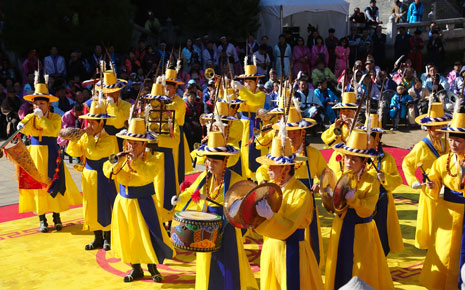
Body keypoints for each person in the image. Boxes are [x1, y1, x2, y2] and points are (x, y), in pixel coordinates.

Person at [174, 131, 258, 290]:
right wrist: (179, 199)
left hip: (227, 232)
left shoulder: (236, 181)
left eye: (215, 162)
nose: (210, 165)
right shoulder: (204, 177)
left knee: (228, 267)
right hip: (205, 231)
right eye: (208, 161)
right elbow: (191, 193)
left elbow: (247, 208)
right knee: (207, 266)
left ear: (225, 161)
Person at [103, 117, 174, 283]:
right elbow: (107, 172)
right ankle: (135, 268)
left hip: (144, 202)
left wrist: (135, 161)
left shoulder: (154, 159)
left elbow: (147, 176)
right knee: (129, 235)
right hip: (123, 202)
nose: (131, 146)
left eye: (135, 143)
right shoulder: (122, 158)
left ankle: (152, 267)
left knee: (148, 235)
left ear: (144, 144)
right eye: (129, 142)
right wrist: (118, 162)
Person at [254, 131, 325, 289]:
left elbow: (289, 227)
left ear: (286, 169)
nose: (268, 169)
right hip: (271, 249)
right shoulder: (269, 190)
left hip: (292, 251)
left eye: (273, 166)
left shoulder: (301, 193)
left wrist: (271, 216)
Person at [325, 129, 394, 290]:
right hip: (341, 227)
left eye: (354, 160)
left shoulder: (371, 182)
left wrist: (354, 200)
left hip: (362, 230)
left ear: (364, 162)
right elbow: (332, 205)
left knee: (360, 267)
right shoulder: (340, 176)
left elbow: (368, 210)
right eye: (347, 158)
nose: (348, 162)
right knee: (338, 264)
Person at [17, 76, 81, 232]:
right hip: (36, 153)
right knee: (39, 185)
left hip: (52, 153)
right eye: (35, 104)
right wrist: (22, 124)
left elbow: (53, 131)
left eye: (41, 103)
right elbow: (23, 127)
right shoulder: (30, 117)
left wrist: (41, 118)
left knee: (55, 182)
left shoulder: (55, 117)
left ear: (48, 104)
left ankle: (56, 216)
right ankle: (42, 219)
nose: (38, 106)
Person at [419, 110, 465, 289]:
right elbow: (434, 179)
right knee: (444, 248)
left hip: (463, 212)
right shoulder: (442, 161)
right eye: (451, 140)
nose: (453, 143)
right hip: (446, 211)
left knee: (460, 251)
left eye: (458, 141)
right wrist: (432, 185)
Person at [66, 100, 118, 251]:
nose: (90, 125)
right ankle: (97, 237)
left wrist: (86, 137)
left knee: (105, 205)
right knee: (91, 206)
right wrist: (75, 138)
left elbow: (95, 154)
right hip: (88, 176)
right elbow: (73, 152)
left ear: (102, 123)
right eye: (89, 122)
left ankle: (108, 236)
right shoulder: (86, 136)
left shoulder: (109, 139)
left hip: (104, 175)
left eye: (94, 122)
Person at [402, 102, 452, 249]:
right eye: (438, 127)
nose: (441, 130)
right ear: (429, 128)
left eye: (443, 126)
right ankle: (431, 246)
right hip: (430, 188)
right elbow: (406, 163)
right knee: (431, 218)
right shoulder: (421, 146)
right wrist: (412, 181)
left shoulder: (447, 143)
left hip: (446, 186)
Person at [359, 115, 404, 256]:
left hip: (380, 201)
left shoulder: (386, 158)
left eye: (369, 138)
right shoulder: (358, 156)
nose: (366, 141)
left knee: (380, 232)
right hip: (362, 199)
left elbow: (397, 180)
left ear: (377, 138)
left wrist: (385, 178)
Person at [234, 60, 266, 180]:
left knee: (255, 150)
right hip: (243, 125)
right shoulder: (242, 93)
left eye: (250, 81)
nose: (247, 84)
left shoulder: (261, 94)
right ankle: (246, 178)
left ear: (256, 82)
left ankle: (258, 177)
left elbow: (252, 99)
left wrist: (242, 89)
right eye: (245, 81)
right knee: (244, 152)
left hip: (255, 124)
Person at [94, 69, 131, 151]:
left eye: (113, 92)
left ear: (118, 92)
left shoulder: (127, 106)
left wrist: (112, 105)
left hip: (121, 142)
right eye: (107, 93)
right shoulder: (100, 105)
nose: (110, 95)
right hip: (104, 144)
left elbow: (118, 123)